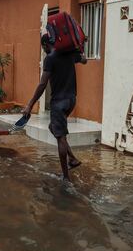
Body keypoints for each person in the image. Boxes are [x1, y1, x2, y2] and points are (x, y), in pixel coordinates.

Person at [23, 34, 87, 182]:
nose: (43, 50)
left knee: (61, 137)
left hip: (59, 102)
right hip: (71, 100)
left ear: (45, 44)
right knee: (53, 127)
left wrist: (30, 105)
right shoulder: (69, 54)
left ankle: (65, 176)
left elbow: (42, 84)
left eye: (42, 47)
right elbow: (84, 60)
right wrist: (79, 48)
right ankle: (72, 159)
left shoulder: (50, 58)